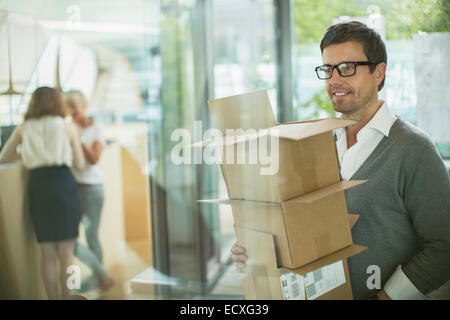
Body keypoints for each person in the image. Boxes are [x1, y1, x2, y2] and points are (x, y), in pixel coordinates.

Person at [231, 21, 450, 300]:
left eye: (347, 68)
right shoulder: (313, 144)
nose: (334, 80)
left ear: (378, 72)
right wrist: (256, 249)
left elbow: (444, 248)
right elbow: (301, 229)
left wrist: (386, 298)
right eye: (328, 69)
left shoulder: (414, 149)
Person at [0, 86, 85, 300]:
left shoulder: (24, 128)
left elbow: (4, 157)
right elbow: (80, 163)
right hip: (64, 186)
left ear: (33, 103)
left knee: (47, 254)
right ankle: (69, 298)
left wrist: (28, 156)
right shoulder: (68, 127)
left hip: (39, 187)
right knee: (67, 254)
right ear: (58, 102)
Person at [64, 90, 115, 291]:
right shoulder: (67, 129)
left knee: (92, 235)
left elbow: (94, 158)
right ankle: (102, 275)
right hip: (72, 191)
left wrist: (79, 139)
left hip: (92, 191)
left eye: (73, 106)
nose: (71, 111)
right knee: (69, 240)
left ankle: (98, 278)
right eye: (67, 107)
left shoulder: (96, 129)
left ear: (82, 106)